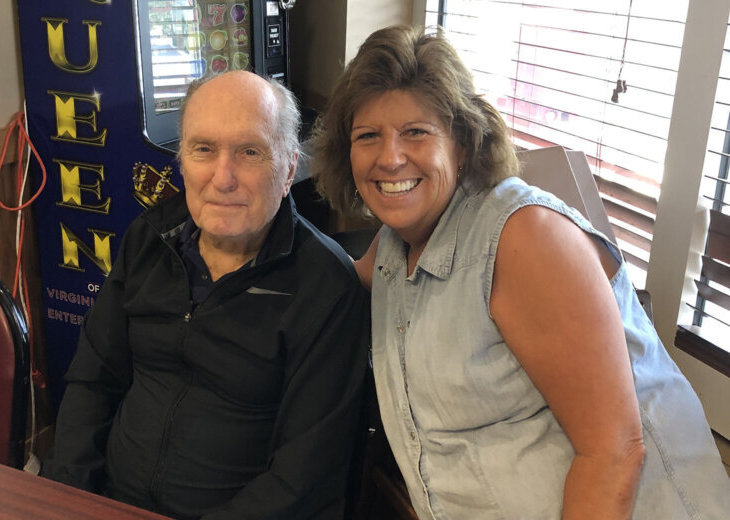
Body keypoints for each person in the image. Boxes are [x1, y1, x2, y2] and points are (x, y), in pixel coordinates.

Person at [312, 25, 729, 520]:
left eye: (416, 132)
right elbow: (337, 282)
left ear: (463, 144)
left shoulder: (523, 237)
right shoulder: (394, 245)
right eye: (368, 136)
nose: (390, 157)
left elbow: (615, 452)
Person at [41, 71, 370, 520]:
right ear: (181, 159)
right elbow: (93, 381)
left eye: (249, 152)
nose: (223, 177)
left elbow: (301, 479)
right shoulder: (149, 238)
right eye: (203, 149)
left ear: (290, 166)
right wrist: (65, 498)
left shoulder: (326, 287)